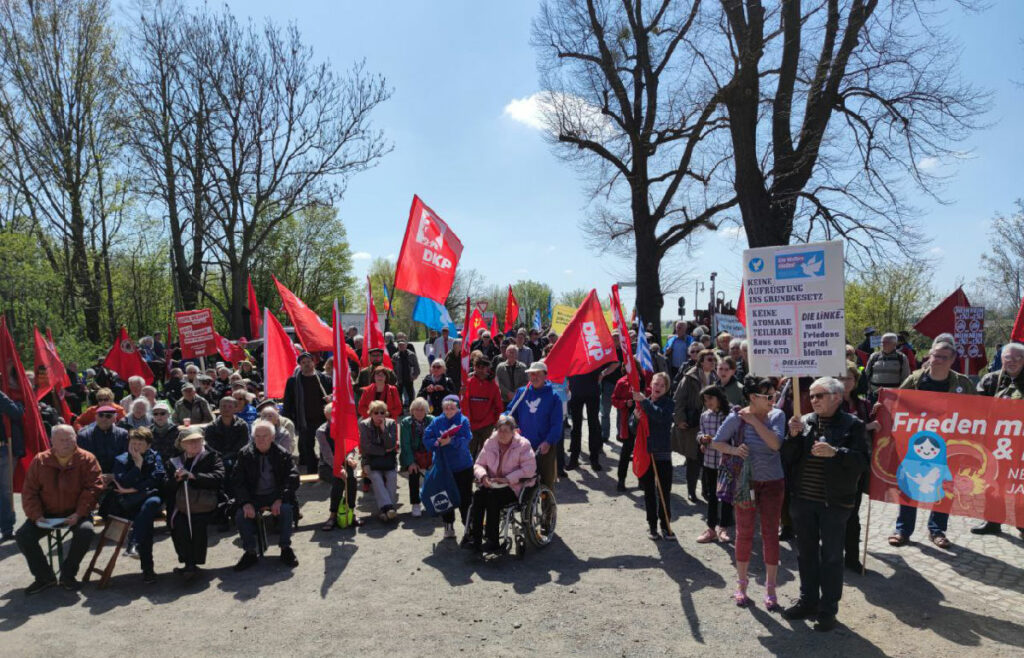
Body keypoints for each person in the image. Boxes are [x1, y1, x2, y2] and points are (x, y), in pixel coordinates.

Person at [782, 377, 869, 632]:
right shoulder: (805, 421)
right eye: (811, 395)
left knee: (831, 557)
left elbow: (863, 462)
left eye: (819, 395)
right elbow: (788, 458)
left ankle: (828, 609)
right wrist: (793, 436)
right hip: (803, 500)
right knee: (805, 553)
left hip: (835, 502)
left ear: (837, 397)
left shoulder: (853, 425)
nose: (813, 400)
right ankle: (808, 601)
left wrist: (836, 452)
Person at [889, 338, 976, 549]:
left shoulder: (963, 383)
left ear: (953, 359)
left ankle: (937, 530)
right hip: (918, 443)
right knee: (910, 484)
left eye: (942, 357)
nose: (936, 360)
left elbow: (976, 412)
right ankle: (903, 530)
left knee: (945, 486)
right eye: (934, 355)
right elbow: (897, 402)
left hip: (949, 444)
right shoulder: (916, 379)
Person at [713, 375, 786, 610]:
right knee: (743, 533)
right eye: (769, 396)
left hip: (773, 482)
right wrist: (734, 450)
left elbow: (775, 444)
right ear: (753, 397)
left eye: (774, 394)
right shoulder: (736, 416)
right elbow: (716, 442)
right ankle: (741, 586)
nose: (774, 399)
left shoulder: (777, 415)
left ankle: (771, 589)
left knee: (770, 534)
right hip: (746, 484)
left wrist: (754, 422)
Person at [16, 425, 103, 593]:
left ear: (75, 439)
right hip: (47, 512)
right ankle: (44, 577)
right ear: (52, 441)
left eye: (70, 438)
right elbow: (29, 492)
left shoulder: (87, 459)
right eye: (61, 439)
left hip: (77, 511)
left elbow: (93, 489)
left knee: (86, 531)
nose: (66, 443)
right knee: (23, 535)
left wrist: (79, 514)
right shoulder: (40, 460)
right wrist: (37, 516)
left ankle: (68, 575)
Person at [971, 342, 1024, 538]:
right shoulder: (990, 380)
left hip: (1022, 443)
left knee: (1020, 482)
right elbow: (975, 408)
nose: (1013, 361)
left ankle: (1022, 523)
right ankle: (993, 521)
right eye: (1008, 357)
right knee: (994, 480)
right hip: (996, 442)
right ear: (1001, 358)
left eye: (1018, 358)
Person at [232, 420, 300, 571]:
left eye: (265, 435)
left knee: (286, 509)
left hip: (275, 495)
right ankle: (250, 552)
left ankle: (285, 548)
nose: (261, 439)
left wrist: (280, 498)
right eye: (257, 436)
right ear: (253, 437)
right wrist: (245, 502)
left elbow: (293, 478)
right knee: (240, 515)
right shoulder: (244, 454)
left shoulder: (282, 454)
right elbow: (237, 481)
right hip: (253, 496)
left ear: (272, 437)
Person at [468, 415, 537, 553]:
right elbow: (479, 464)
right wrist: (484, 477)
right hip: (492, 483)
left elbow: (529, 470)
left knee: (492, 499)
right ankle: (475, 538)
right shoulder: (490, 442)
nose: (502, 433)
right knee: (478, 496)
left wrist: (507, 479)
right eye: (500, 430)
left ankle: (492, 540)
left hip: (514, 486)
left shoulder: (523, 445)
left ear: (513, 431)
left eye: (506, 430)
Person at [109, 427, 166, 583]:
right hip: (129, 504)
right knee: (145, 523)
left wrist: (130, 489)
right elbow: (121, 481)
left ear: (148, 445)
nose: (136, 447)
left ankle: (134, 544)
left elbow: (157, 480)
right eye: (133, 443)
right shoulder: (121, 459)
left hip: (150, 500)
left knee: (151, 503)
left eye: (140, 444)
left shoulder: (155, 458)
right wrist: (137, 466)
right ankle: (147, 568)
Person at [839, 361, 879, 571]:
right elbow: (840, 431)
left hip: (858, 466)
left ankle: (852, 558)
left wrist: (878, 412)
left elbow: (874, 427)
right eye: (841, 378)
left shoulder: (863, 404)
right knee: (837, 515)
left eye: (849, 378)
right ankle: (832, 555)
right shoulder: (832, 404)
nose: (845, 382)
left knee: (853, 514)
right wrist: (867, 425)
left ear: (855, 381)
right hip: (837, 466)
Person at [168, 429, 225, 580]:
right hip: (182, 505)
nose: (194, 444)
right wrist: (176, 480)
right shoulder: (175, 461)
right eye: (189, 442)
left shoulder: (212, 456)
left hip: (206, 503)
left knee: (197, 523)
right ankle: (188, 563)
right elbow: (166, 486)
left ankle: (192, 564)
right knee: (178, 525)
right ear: (182, 445)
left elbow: (219, 478)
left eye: (197, 440)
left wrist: (194, 476)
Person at [423, 395, 475, 540]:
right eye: (446, 407)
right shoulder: (436, 421)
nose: (449, 410)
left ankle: (468, 526)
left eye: (452, 407)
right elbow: (427, 438)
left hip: (462, 466)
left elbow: (467, 438)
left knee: (465, 498)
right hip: (443, 466)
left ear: (458, 408)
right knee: (445, 497)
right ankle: (448, 525)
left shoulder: (463, 421)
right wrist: (437, 443)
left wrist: (451, 441)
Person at [632, 372, 676, 540]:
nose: (658, 388)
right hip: (646, 453)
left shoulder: (669, 404)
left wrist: (644, 402)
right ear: (651, 384)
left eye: (662, 385)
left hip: (662, 453)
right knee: (648, 491)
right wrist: (635, 420)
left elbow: (660, 416)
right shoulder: (644, 402)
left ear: (666, 388)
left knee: (664, 491)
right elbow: (632, 429)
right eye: (656, 384)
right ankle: (652, 526)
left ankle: (666, 525)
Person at [506, 361, 563, 488]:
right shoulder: (522, 393)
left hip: (544, 446)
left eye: (538, 374)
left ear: (545, 376)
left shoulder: (554, 397)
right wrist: (507, 420)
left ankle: (548, 507)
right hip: (523, 445)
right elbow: (511, 412)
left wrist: (548, 441)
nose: (534, 377)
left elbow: (557, 424)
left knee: (545, 482)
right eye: (531, 374)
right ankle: (527, 506)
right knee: (523, 480)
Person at [673, 349, 719, 502]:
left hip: (711, 424)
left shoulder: (715, 376)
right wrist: (679, 419)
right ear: (701, 361)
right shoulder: (690, 377)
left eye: (714, 359)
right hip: (693, 424)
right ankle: (691, 490)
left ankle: (707, 491)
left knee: (708, 458)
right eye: (709, 359)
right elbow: (678, 399)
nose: (713, 362)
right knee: (693, 459)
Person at [282, 351, 332, 475]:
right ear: (300, 365)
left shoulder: (324, 378)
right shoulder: (293, 381)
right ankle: (312, 471)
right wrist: (288, 418)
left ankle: (325, 468)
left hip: (323, 417)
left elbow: (333, 395)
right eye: (303, 363)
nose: (306, 364)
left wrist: (330, 398)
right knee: (308, 446)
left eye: (308, 362)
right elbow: (288, 401)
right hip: (304, 419)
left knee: (325, 444)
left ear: (313, 363)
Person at [316, 403, 362, 530]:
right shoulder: (321, 431)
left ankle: (351, 512)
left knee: (352, 479)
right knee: (339, 480)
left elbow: (351, 448)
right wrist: (339, 469)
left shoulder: (345, 428)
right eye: (333, 416)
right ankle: (333, 514)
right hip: (327, 465)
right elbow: (327, 455)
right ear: (327, 416)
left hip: (345, 462)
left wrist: (350, 458)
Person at [697, 385, 733, 544]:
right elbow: (700, 432)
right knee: (711, 496)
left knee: (726, 497)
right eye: (705, 400)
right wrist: (701, 440)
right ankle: (711, 528)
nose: (707, 402)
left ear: (718, 397)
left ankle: (723, 528)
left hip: (726, 462)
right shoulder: (705, 416)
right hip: (709, 462)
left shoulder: (729, 414)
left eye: (710, 398)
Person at [359, 400, 401, 522]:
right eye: (376, 412)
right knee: (376, 478)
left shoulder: (391, 423)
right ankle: (389, 508)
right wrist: (384, 450)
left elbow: (391, 444)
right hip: (370, 460)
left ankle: (384, 510)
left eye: (382, 413)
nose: (379, 415)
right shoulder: (364, 424)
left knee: (392, 476)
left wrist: (383, 429)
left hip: (388, 460)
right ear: (371, 413)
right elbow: (366, 447)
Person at [610, 369, 650, 492]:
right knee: (626, 452)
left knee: (643, 451)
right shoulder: (622, 382)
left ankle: (642, 480)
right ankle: (621, 480)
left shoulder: (646, 381)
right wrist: (624, 403)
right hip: (628, 423)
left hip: (643, 422)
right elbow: (614, 400)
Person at [399, 398, 435, 518]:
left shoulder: (432, 420)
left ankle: (433, 501)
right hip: (412, 455)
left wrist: (434, 460)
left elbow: (435, 442)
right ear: (412, 410)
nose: (419, 412)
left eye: (422, 409)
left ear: (426, 411)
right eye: (416, 409)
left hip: (428, 455)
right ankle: (415, 503)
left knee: (436, 472)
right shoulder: (405, 422)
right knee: (414, 472)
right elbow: (405, 445)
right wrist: (411, 462)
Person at [462, 357, 503, 458]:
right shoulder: (467, 384)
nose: (480, 370)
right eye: (478, 367)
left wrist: (495, 422)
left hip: (487, 425)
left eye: (483, 367)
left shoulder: (493, 385)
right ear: (474, 368)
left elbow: (499, 406)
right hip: (470, 425)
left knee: (488, 454)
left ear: (487, 369)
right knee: (469, 453)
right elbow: (463, 404)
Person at [567, 365, 604, 470]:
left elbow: (615, 362)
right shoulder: (572, 352)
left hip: (592, 393)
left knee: (593, 426)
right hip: (576, 392)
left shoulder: (593, 350)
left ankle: (594, 459)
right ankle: (574, 459)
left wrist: (603, 373)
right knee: (576, 427)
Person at [1, 389, 25, 542]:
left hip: (3, 449)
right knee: (4, 491)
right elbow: (16, 412)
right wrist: (20, 404)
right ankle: (7, 528)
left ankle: (7, 527)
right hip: (2, 450)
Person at [77, 404, 129, 475]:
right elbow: (82, 461)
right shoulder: (84, 436)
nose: (104, 419)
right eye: (101, 415)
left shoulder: (123, 434)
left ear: (114, 418)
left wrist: (113, 475)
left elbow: (124, 457)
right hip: (92, 477)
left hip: (116, 477)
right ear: (96, 417)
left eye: (108, 416)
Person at [862, 332, 911, 401]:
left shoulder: (902, 357)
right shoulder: (874, 356)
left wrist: (900, 393)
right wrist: (870, 390)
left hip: (894, 397)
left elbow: (906, 378)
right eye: (882, 342)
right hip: (875, 396)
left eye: (886, 342)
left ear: (894, 344)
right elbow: (866, 374)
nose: (883, 344)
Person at [392, 336, 421, 409]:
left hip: (409, 378)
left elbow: (416, 366)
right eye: (399, 345)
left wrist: (415, 375)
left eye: (402, 345)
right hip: (399, 379)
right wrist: (394, 378)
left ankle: (412, 408)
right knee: (399, 395)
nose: (401, 347)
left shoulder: (412, 355)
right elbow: (392, 368)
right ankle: (400, 409)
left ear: (406, 346)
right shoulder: (395, 356)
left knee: (411, 395)